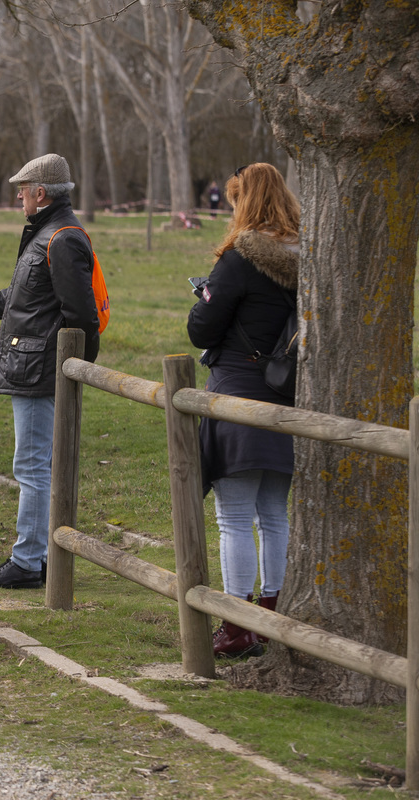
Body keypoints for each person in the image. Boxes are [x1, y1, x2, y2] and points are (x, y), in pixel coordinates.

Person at [0, 154, 100, 591]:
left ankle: (28, 560)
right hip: (36, 366)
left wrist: (74, 372)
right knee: (35, 463)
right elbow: (19, 296)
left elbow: (80, 315)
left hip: (41, 369)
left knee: (33, 465)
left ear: (40, 194)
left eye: (23, 190)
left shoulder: (61, 238)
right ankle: (33, 555)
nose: (18, 196)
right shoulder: (46, 235)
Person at [187, 162, 298, 659]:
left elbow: (202, 331)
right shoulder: (306, 259)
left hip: (238, 390)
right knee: (274, 513)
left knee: (234, 516)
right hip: (286, 395)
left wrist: (201, 302)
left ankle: (235, 626)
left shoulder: (238, 259)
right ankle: (271, 616)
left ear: (242, 201)